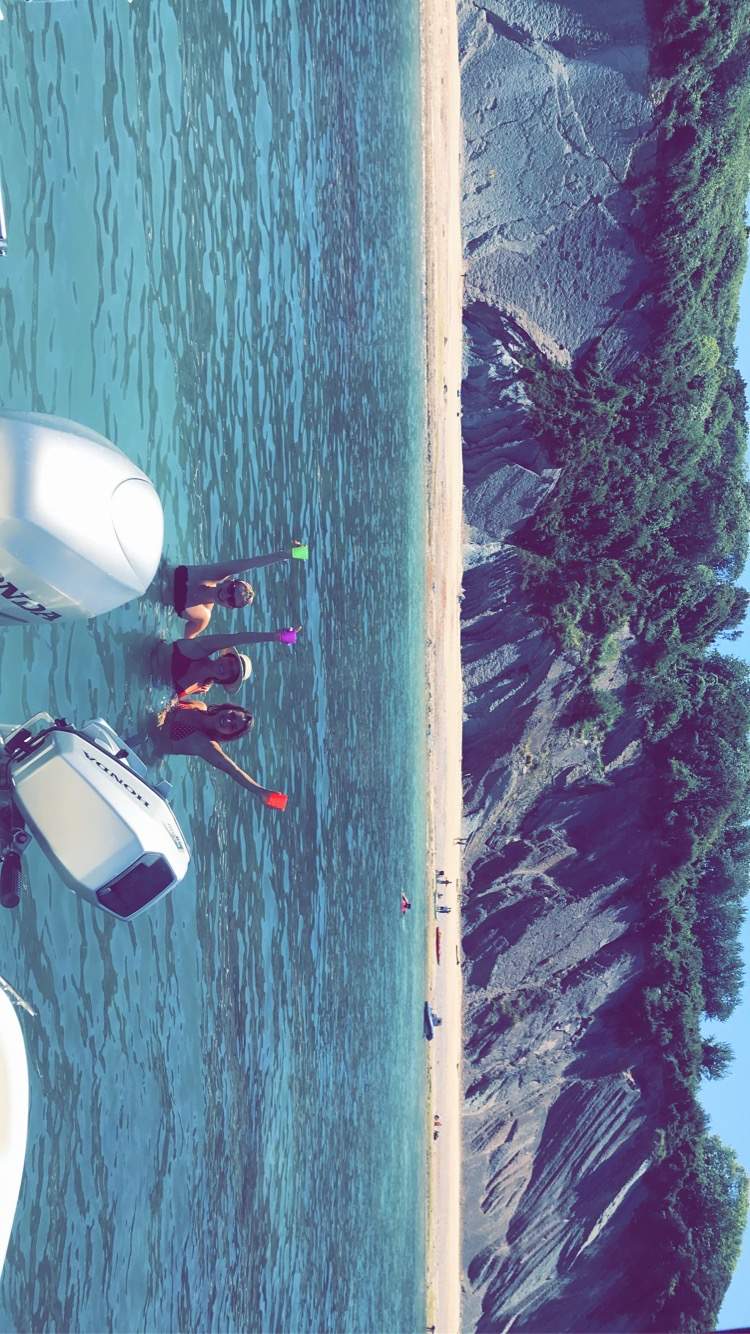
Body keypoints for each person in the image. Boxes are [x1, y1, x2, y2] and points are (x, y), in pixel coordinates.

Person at [155, 699, 287, 808]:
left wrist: (261, 792)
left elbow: (233, 769)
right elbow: (169, 700)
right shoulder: (199, 705)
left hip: (149, 746)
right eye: (232, 715)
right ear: (227, 707)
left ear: (230, 735)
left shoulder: (205, 744)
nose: (228, 721)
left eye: (232, 727)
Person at [173, 541, 307, 638]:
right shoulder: (211, 574)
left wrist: (275, 636)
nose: (225, 595)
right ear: (229, 580)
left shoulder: (203, 616)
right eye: (231, 590)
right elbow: (251, 563)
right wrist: (290, 554)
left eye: (231, 600)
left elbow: (187, 645)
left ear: (229, 607)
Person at [170, 626, 302, 696]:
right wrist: (275, 637)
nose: (227, 667)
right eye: (231, 662)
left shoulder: (202, 687)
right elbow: (237, 638)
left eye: (232, 673)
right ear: (224, 656)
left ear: (227, 680)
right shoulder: (200, 648)